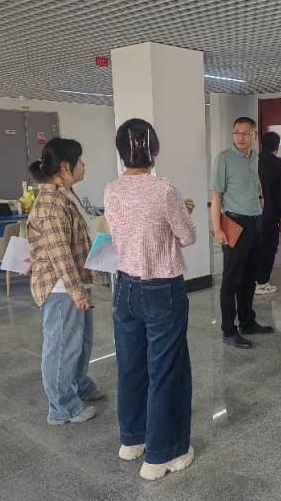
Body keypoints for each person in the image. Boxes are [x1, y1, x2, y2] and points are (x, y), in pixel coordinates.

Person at [105, 118, 197, 481]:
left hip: (124, 287)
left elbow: (127, 230)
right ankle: (164, 454)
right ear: (154, 150)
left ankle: (132, 440)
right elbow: (186, 236)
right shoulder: (165, 190)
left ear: (121, 153)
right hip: (161, 289)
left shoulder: (111, 189)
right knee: (166, 370)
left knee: (130, 365)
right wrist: (183, 213)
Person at [27, 138, 103, 426]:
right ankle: (62, 407)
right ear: (65, 166)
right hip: (62, 288)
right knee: (62, 347)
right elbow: (60, 253)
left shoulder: (65, 194)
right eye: (80, 161)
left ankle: (78, 384)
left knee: (81, 341)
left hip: (74, 282)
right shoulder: (51, 202)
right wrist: (76, 291)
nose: (84, 166)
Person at [211, 117, 274, 349]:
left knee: (249, 276)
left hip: (255, 223)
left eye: (246, 133)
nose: (240, 137)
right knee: (232, 279)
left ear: (254, 136)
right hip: (234, 223)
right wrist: (217, 228)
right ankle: (229, 330)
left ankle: (247, 321)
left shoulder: (255, 157)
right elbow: (216, 195)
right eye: (236, 132)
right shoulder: (224, 159)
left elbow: (256, 186)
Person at [256, 131, 281, 295]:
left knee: (255, 247)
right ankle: (261, 283)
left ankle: (252, 280)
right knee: (268, 248)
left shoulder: (254, 162)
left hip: (253, 214)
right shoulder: (276, 166)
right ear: (277, 146)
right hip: (269, 214)